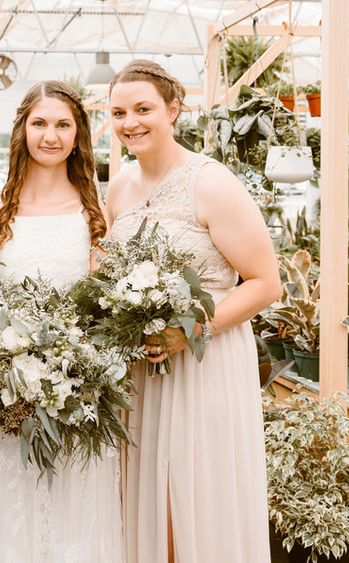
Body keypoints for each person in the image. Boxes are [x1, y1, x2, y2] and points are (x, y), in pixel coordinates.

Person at [0, 80, 125, 563]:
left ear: (79, 134)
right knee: (12, 500)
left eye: (63, 124)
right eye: (40, 123)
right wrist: (10, 354)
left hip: (76, 385)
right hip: (8, 389)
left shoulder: (94, 210)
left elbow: (102, 302)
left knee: (72, 504)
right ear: (22, 130)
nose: (51, 135)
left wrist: (71, 360)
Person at [105, 59, 281, 563]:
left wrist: (191, 331)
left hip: (206, 362)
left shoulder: (211, 182)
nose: (130, 123)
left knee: (197, 492)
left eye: (143, 109)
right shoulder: (118, 187)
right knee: (148, 496)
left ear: (174, 110)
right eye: (119, 112)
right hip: (142, 370)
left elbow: (267, 283)